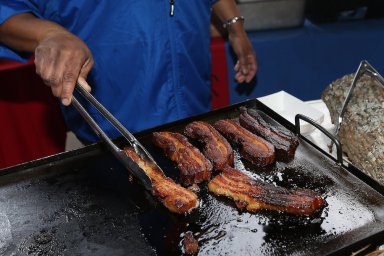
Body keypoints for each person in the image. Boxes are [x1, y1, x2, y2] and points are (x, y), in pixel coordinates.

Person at [0, 0, 257, 144]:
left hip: (195, 104)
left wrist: (234, 25)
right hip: (116, 123)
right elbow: (8, 12)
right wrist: (49, 34)